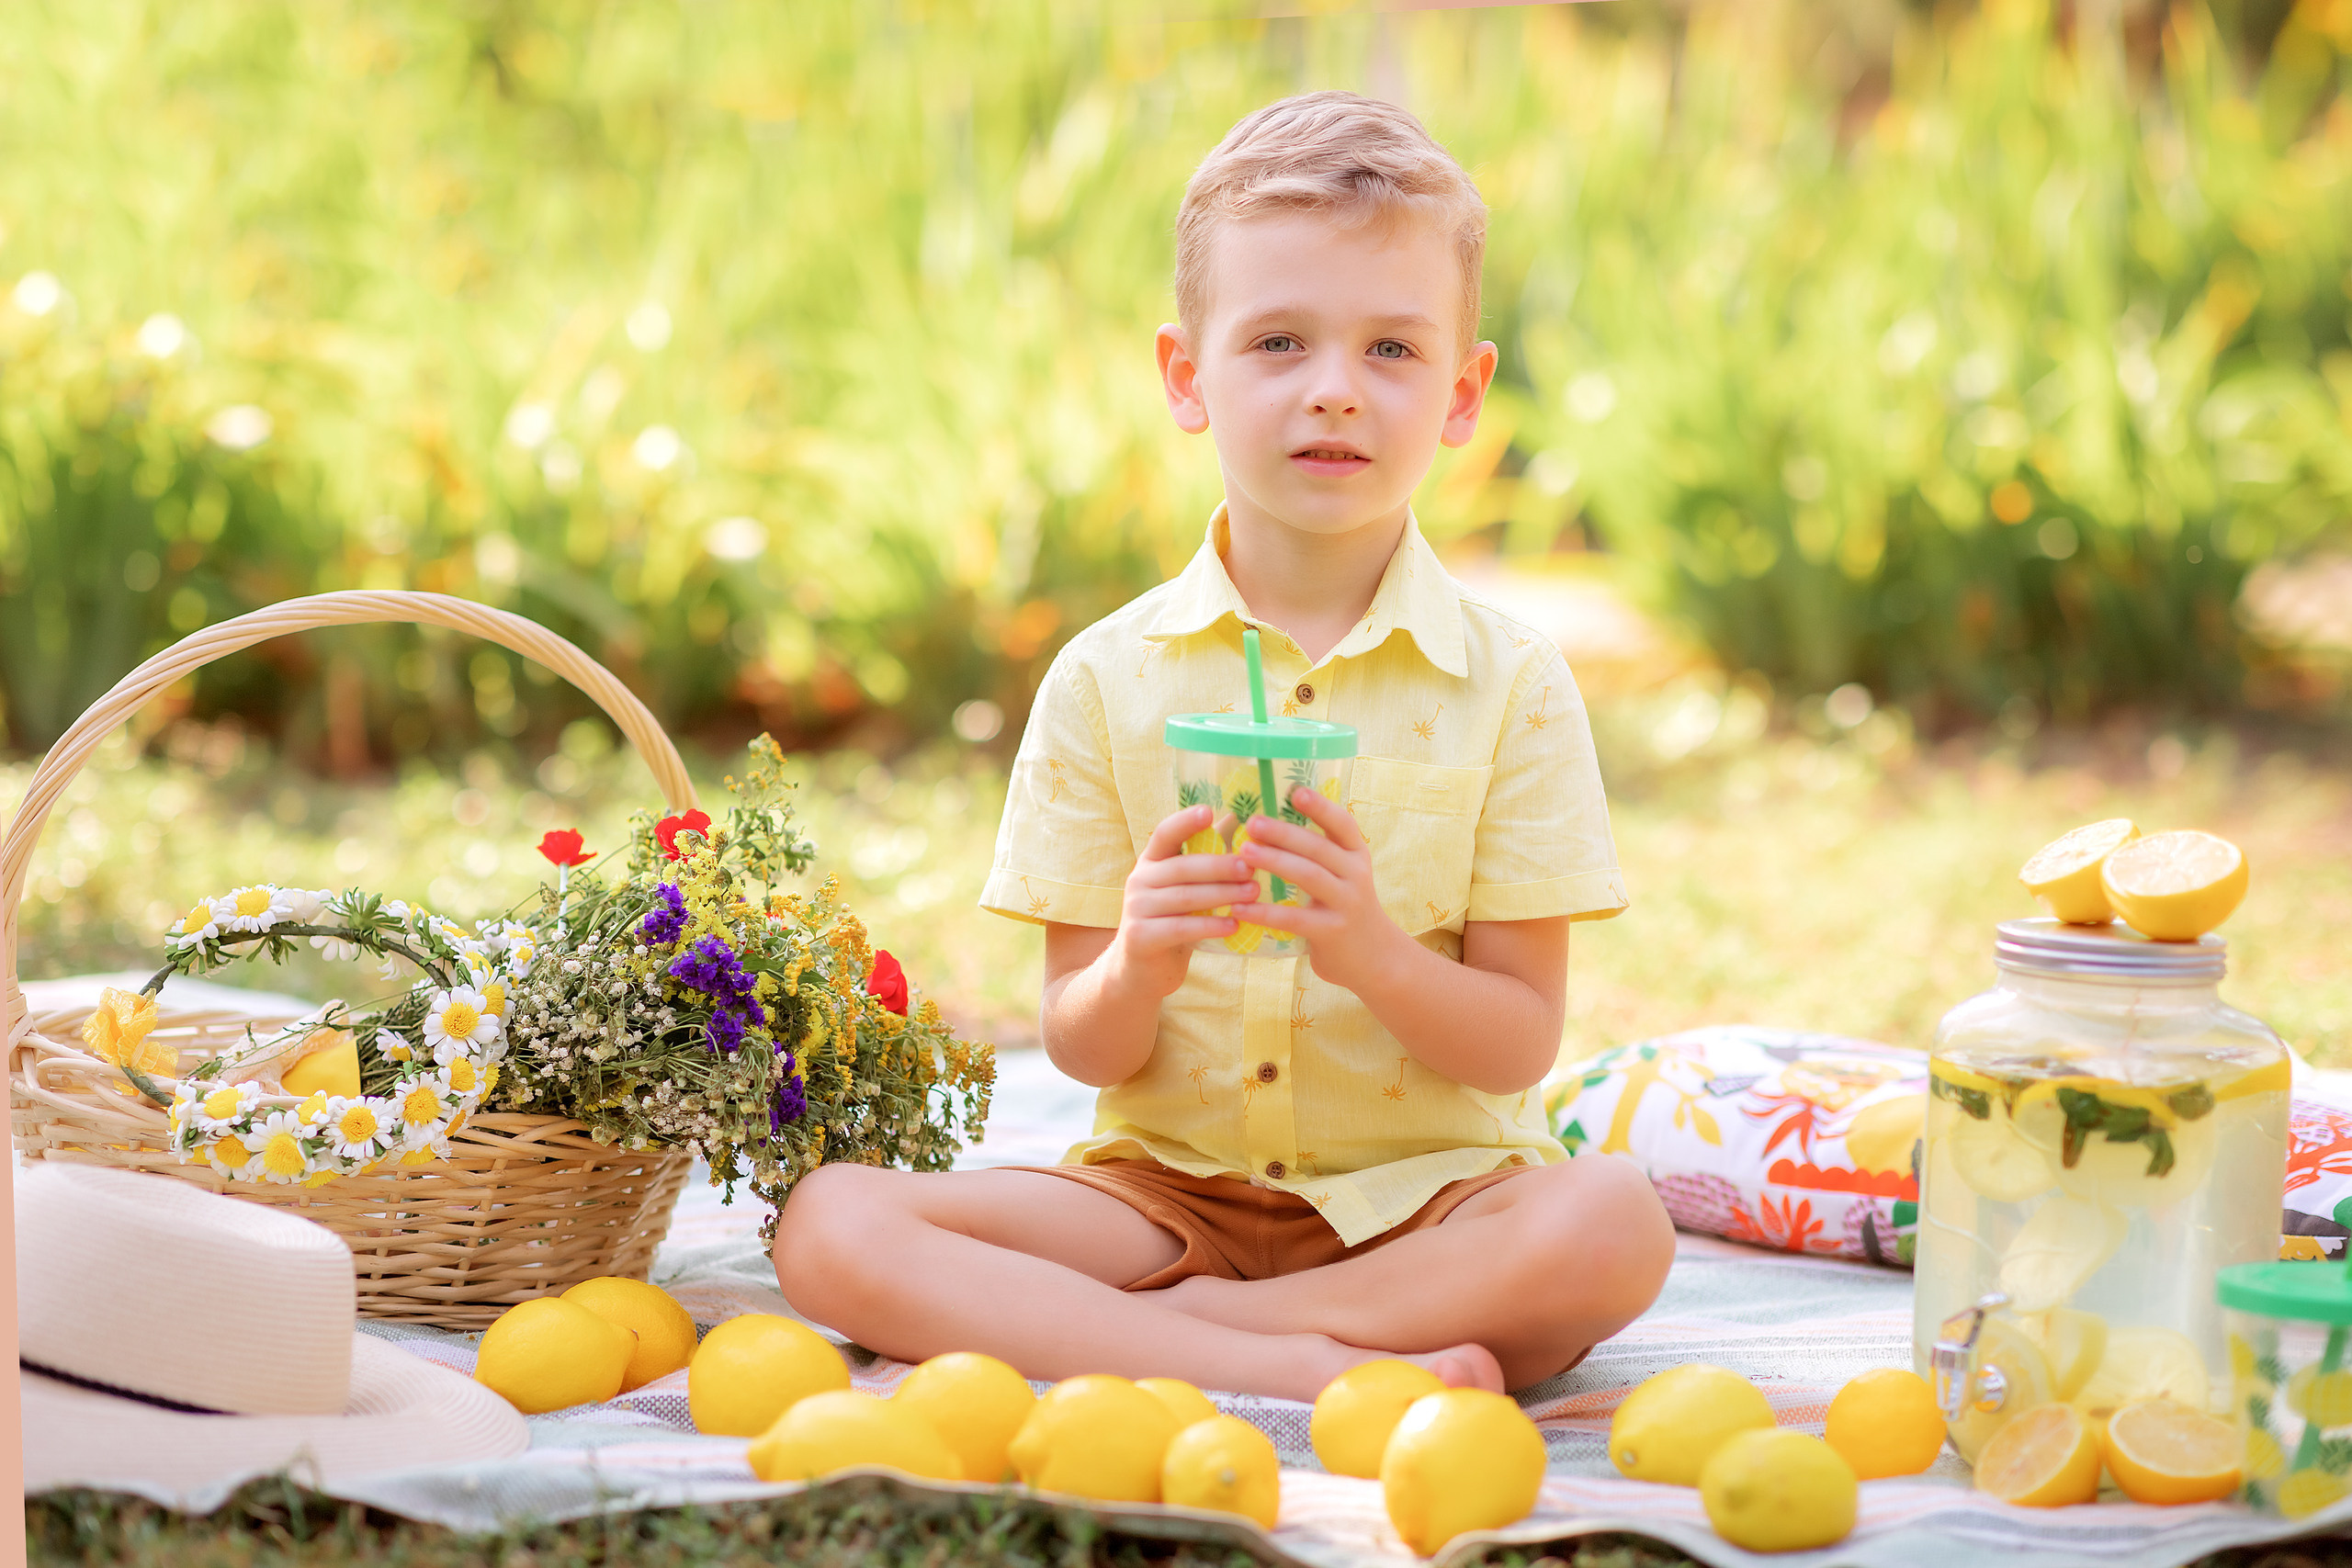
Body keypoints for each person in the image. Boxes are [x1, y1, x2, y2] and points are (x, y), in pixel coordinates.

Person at [775, 89, 1673, 1402]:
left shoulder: (1514, 684)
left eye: (1391, 351)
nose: (1333, 391)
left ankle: (1195, 1344)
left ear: (1465, 394)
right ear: (1187, 378)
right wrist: (1141, 956)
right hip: (1160, 1204)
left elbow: (1518, 1043)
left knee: (1611, 1224)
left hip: (1424, 1209)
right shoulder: (1103, 680)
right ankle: (1309, 1364)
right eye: (1278, 341)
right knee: (834, 1225)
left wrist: (1370, 953)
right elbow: (1083, 1045)